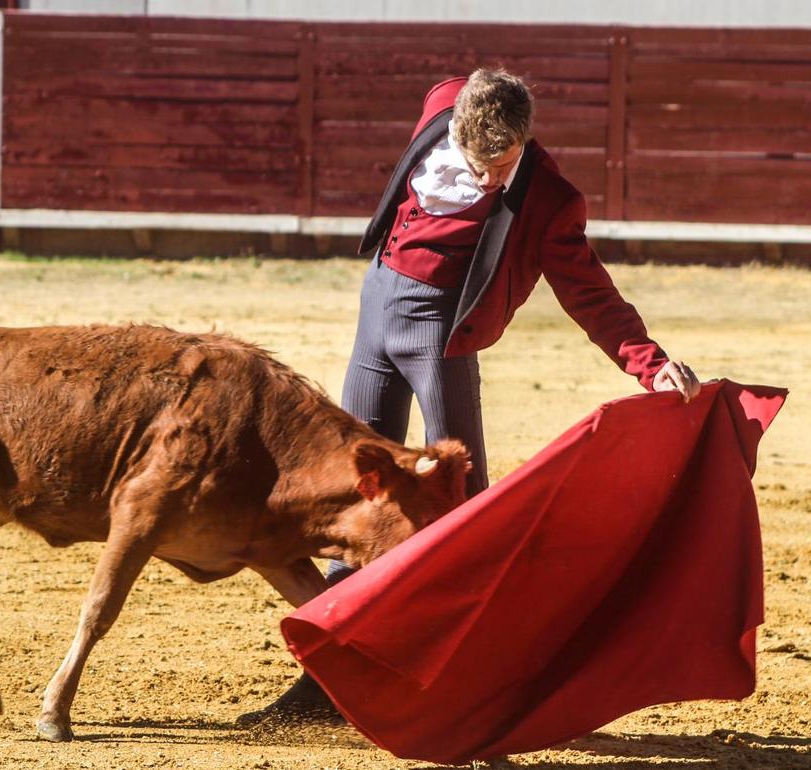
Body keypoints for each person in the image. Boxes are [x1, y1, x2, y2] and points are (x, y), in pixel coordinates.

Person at [239, 67, 700, 727]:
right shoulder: (438, 107)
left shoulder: (550, 199)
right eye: (477, 163)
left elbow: (590, 293)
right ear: (453, 126)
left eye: (502, 165)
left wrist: (650, 366)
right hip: (376, 314)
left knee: (464, 505)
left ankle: (478, 679)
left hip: (441, 342)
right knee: (357, 493)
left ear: (524, 140)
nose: (487, 180)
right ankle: (329, 682)